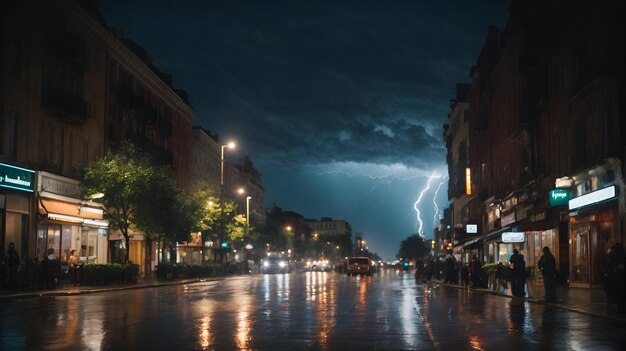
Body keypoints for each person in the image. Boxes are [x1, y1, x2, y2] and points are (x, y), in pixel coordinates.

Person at [605, 243, 625, 310]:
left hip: (616, 275)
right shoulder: (622, 254)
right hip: (621, 276)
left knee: (617, 289)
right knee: (620, 289)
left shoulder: (613, 254)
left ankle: (618, 303)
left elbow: (610, 264)